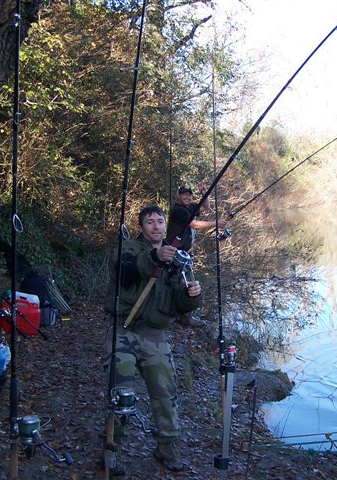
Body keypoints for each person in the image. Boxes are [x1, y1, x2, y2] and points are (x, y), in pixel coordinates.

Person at [104, 204, 202, 472]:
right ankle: (112, 447)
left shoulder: (179, 258)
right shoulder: (129, 249)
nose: (156, 226)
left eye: (160, 221)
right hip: (124, 329)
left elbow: (182, 305)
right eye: (150, 222)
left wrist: (193, 294)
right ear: (142, 227)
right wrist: (155, 258)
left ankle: (167, 447)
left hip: (156, 334)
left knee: (165, 391)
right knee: (120, 390)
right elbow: (124, 273)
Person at [169, 185, 227, 327]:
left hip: (186, 252)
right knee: (187, 282)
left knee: (182, 282)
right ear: (178, 196)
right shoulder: (178, 210)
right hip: (176, 252)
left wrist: (204, 193)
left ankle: (180, 314)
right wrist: (216, 224)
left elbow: (205, 207)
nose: (187, 197)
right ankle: (184, 317)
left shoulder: (188, 208)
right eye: (184, 195)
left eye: (189, 195)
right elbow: (194, 224)